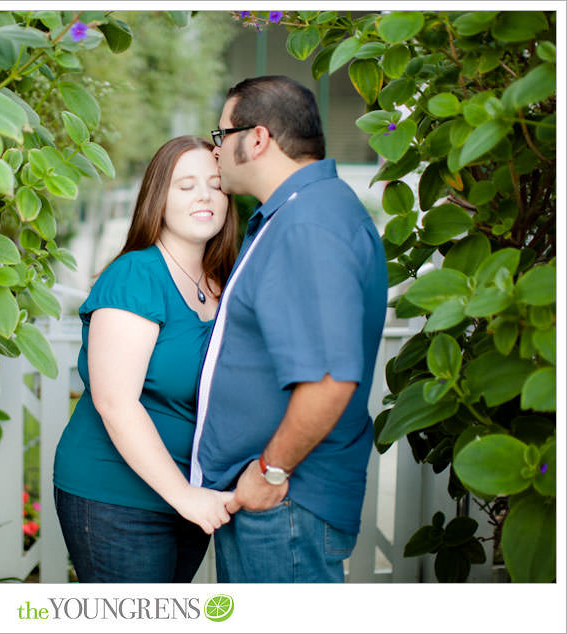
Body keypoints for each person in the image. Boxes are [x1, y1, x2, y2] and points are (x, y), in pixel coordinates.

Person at [189, 75, 388, 582]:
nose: (215, 154)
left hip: (284, 502)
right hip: (275, 501)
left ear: (256, 139)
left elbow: (329, 378)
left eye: (220, 138)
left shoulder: (308, 222)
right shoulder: (298, 214)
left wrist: (269, 471)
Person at [53, 136, 239, 582]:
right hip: (115, 495)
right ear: (159, 197)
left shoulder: (223, 281)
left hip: (187, 495)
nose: (204, 196)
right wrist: (185, 496)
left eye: (215, 185)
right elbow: (115, 403)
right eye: (186, 185)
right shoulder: (136, 275)